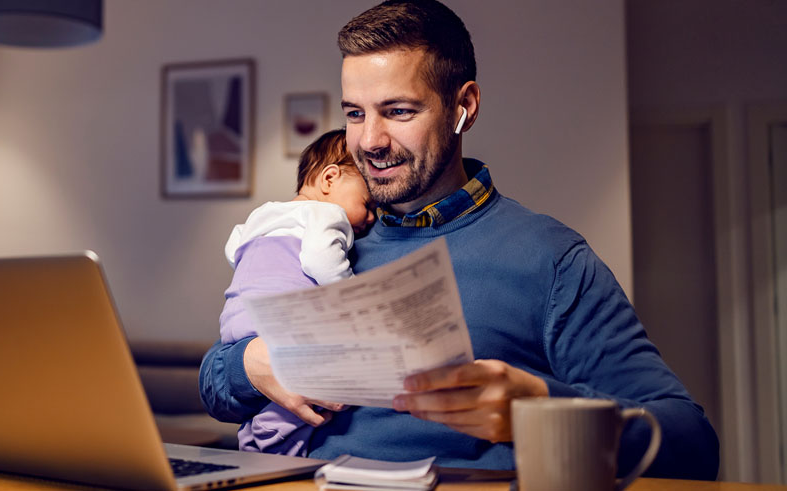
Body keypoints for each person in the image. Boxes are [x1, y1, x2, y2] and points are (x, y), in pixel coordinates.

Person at [199, 0, 719, 479]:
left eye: (398, 111)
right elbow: (216, 385)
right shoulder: (329, 235)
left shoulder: (550, 258)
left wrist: (535, 408)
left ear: (463, 106)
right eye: (355, 113)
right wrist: (247, 366)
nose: (370, 141)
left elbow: (691, 443)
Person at [219, 129, 372, 456]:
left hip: (237, 319)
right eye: (367, 203)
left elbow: (234, 248)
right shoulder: (328, 214)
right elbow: (321, 259)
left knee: (279, 384)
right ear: (330, 179)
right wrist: (352, 295)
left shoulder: (263, 213)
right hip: (284, 318)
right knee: (337, 374)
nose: (372, 218)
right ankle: (271, 429)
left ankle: (255, 431)